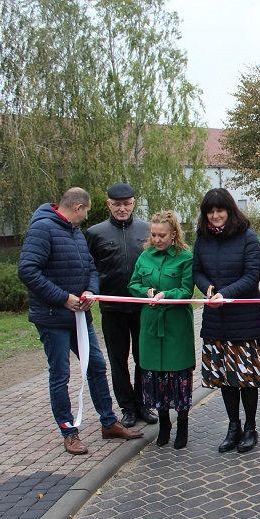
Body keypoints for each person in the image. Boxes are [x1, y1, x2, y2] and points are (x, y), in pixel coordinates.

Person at [18, 187, 143, 455]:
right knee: (60, 374)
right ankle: (69, 431)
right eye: (86, 212)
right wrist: (63, 298)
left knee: (97, 366)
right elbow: (28, 270)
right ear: (78, 208)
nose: (86, 217)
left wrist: (90, 291)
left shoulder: (73, 232)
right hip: (53, 318)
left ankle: (108, 422)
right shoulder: (42, 229)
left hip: (79, 315)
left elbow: (90, 267)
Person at [193, 188, 260, 454]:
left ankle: (250, 427)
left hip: (244, 319)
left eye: (219, 210)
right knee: (224, 377)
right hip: (216, 319)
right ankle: (233, 426)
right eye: (210, 211)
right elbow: (197, 271)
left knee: (246, 377)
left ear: (230, 210)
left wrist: (226, 293)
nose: (215, 216)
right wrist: (208, 288)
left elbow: (251, 276)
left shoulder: (247, 237)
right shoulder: (202, 239)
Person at [85, 183, 157, 428]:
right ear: (108, 204)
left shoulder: (147, 230)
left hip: (142, 307)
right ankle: (127, 407)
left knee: (143, 358)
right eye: (117, 204)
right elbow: (89, 268)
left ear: (134, 202)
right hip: (112, 308)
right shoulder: (96, 233)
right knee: (118, 359)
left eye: (127, 203)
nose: (122, 208)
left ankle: (143, 403)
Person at [127, 211, 195, 449]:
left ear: (174, 234)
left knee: (178, 379)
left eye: (162, 235)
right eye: (154, 235)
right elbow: (133, 284)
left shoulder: (185, 257)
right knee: (156, 379)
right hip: (151, 326)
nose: (157, 239)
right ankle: (164, 423)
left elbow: (187, 290)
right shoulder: (145, 257)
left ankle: (183, 424)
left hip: (176, 326)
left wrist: (169, 295)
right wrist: (146, 293)